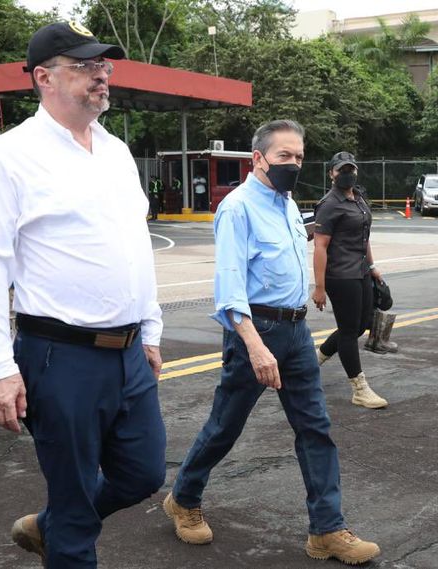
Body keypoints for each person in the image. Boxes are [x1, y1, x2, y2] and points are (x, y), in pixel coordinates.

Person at [0, 21, 166, 567]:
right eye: (84, 66)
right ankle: (65, 529)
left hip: (128, 352)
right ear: (43, 78)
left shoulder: (116, 151)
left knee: (144, 473)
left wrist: (149, 329)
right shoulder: (12, 154)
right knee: (75, 507)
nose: (101, 75)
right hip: (61, 357)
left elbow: (135, 246)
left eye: (103, 65)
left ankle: (51, 525)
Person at [162, 120, 380, 566]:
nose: (293, 164)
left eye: (299, 156)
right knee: (225, 426)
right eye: (284, 156)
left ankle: (327, 529)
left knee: (315, 428)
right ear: (258, 158)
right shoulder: (237, 209)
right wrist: (254, 345)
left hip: (296, 332)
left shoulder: (288, 204)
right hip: (255, 332)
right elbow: (229, 287)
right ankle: (183, 498)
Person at [312, 151, 388, 409]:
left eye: (351, 169)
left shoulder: (358, 198)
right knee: (348, 331)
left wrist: (372, 266)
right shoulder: (329, 204)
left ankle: (315, 360)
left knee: (362, 325)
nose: (347, 174)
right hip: (340, 275)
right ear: (331, 174)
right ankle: (359, 388)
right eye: (341, 170)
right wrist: (319, 287)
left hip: (361, 271)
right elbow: (320, 247)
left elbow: (364, 237)